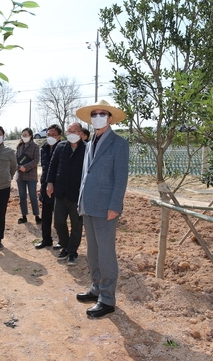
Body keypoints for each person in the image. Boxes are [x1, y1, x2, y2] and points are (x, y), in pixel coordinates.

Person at [75, 100, 129, 318]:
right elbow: (85, 176)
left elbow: (121, 177)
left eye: (102, 114)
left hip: (106, 206)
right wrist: (80, 200)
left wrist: (115, 205)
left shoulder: (119, 144)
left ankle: (107, 298)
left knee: (106, 253)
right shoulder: (89, 144)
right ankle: (96, 288)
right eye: (94, 114)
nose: (98, 116)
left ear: (110, 118)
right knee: (93, 251)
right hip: (88, 204)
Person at [46, 122, 86, 265]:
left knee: (76, 224)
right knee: (58, 222)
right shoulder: (61, 147)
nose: (73, 134)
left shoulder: (87, 149)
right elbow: (52, 166)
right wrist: (49, 183)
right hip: (60, 192)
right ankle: (65, 245)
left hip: (77, 195)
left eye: (76, 131)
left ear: (81, 133)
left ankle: (72, 251)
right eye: (70, 131)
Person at [34, 124, 62, 250]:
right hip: (45, 186)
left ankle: (62, 241)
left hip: (58, 188)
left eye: (54, 135)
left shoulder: (63, 148)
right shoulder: (44, 149)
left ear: (59, 136)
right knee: (45, 216)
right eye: (49, 134)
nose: (51, 137)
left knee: (59, 218)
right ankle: (46, 239)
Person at [15, 128, 41, 224]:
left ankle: (37, 215)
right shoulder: (19, 146)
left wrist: (25, 167)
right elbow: (15, 159)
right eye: (23, 135)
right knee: (22, 197)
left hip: (31, 176)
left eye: (26, 135)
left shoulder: (35, 146)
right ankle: (24, 216)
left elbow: (36, 160)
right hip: (21, 176)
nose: (24, 137)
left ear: (30, 136)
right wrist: (19, 167)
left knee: (33, 196)